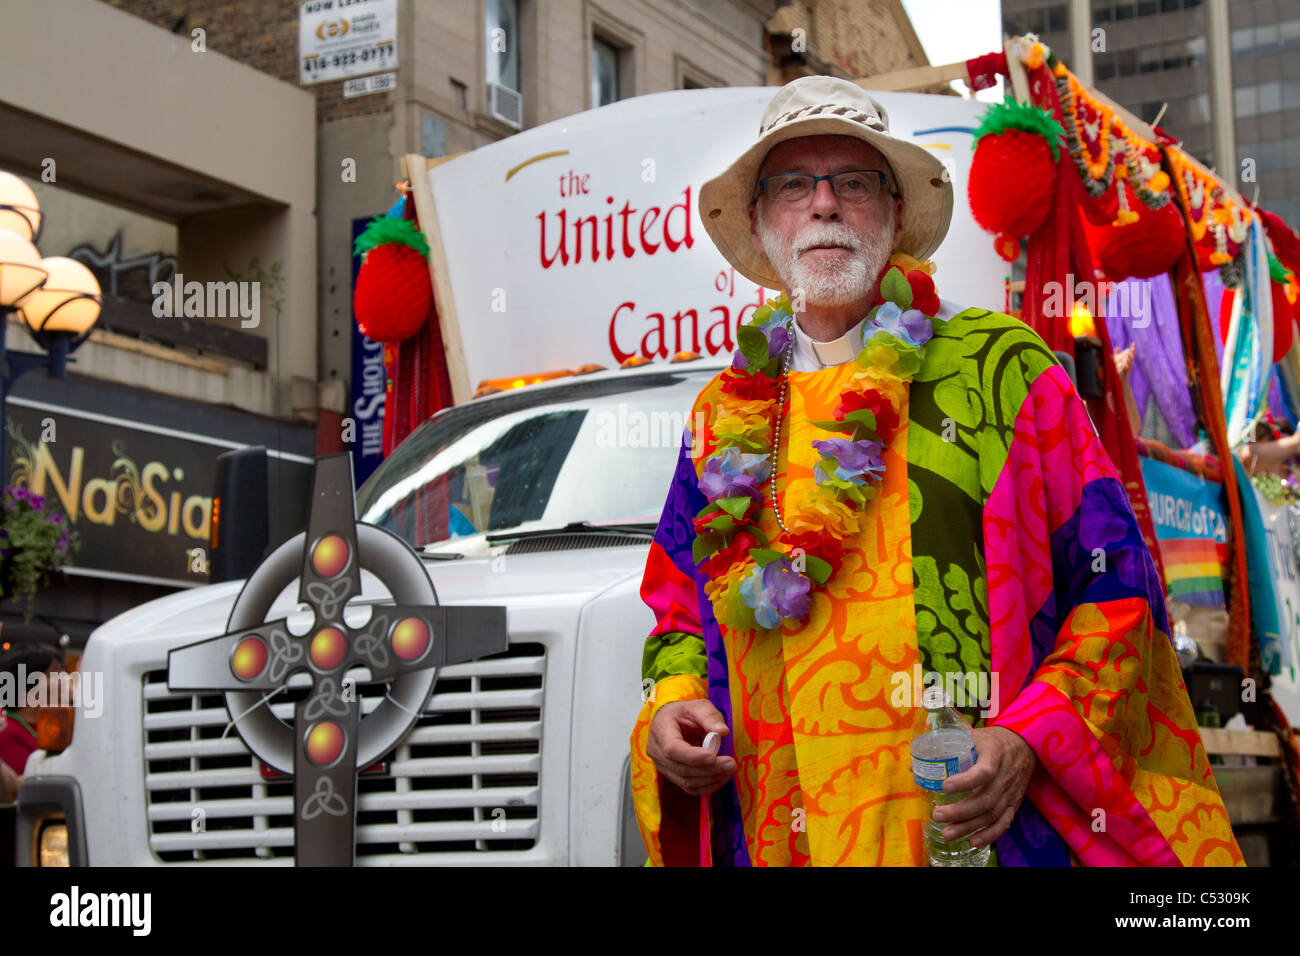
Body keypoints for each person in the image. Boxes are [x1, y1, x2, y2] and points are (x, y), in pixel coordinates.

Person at [629, 75, 1244, 866]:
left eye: (853, 182)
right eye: (794, 185)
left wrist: (1029, 734)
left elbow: (1118, 590)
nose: (824, 204)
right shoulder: (722, 414)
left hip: (976, 835)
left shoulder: (1002, 369)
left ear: (894, 217)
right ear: (758, 222)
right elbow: (679, 608)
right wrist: (674, 705)